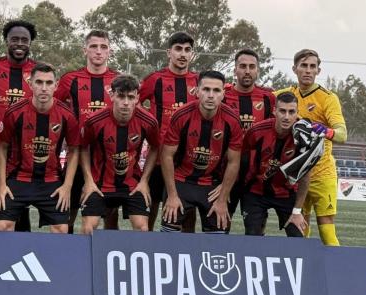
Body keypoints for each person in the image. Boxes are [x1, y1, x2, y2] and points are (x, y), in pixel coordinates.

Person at [0, 63, 80, 234]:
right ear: (30, 83)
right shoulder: (14, 112)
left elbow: (74, 150)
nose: (44, 88)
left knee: (62, 229)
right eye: (39, 82)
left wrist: (67, 186)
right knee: (3, 226)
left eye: (49, 83)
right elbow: (2, 147)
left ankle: (52, 261)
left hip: (52, 180)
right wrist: (1, 184)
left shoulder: (67, 115)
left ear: (56, 86)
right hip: (19, 178)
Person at [275, 49, 347, 246]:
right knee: (299, 230)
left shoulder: (328, 98)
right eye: (303, 66)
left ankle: (336, 271)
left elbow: (342, 134)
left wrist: (324, 130)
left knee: (326, 230)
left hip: (323, 174)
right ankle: (304, 272)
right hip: (298, 175)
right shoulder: (286, 95)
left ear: (318, 70)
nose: (308, 70)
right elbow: (260, 98)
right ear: (295, 69)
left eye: (312, 66)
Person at [160, 70, 243, 233]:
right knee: (170, 226)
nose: (211, 95)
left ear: (223, 94)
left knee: (219, 229)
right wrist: (171, 195)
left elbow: (234, 162)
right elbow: (166, 155)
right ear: (197, 91)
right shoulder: (181, 115)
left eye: (216, 90)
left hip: (211, 184)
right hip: (181, 180)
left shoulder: (232, 120)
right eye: (206, 89)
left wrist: (223, 198)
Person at [54, 29, 118, 233]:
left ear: (110, 51)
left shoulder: (118, 80)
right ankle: (67, 252)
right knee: (69, 208)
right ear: (85, 50)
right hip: (78, 155)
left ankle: (108, 254)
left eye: (103, 47)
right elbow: (55, 107)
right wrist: (62, 134)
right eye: (93, 46)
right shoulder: (70, 79)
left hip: (109, 157)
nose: (98, 51)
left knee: (110, 213)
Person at [79, 75, 160, 234]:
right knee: (89, 228)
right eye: (121, 96)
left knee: (143, 228)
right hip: (99, 184)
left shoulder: (149, 122)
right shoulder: (94, 121)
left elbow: (155, 148)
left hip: (132, 184)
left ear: (137, 98)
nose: (125, 102)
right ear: (111, 95)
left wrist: (144, 181)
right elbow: (83, 148)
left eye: (130, 97)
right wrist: (88, 180)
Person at [0, 19, 38, 232]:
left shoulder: (37, 71)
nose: (20, 44)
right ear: (6, 41)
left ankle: (21, 250)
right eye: (15, 39)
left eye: (25, 40)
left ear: (30, 42)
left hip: (24, 148)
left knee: (18, 203)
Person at [139, 31, 199, 232]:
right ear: (168, 52)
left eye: (187, 50)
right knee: (152, 206)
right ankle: (145, 248)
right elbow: (133, 102)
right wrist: (148, 126)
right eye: (178, 49)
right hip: (158, 157)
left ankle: (186, 251)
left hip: (187, 161)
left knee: (187, 211)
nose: (183, 54)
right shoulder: (155, 79)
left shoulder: (199, 82)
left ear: (192, 54)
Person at [240, 92, 310, 236]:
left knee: (297, 236)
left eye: (291, 112)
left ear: (297, 113)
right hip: (255, 192)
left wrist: (297, 211)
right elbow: (242, 162)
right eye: (282, 111)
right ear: (274, 111)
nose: (286, 117)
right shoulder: (256, 132)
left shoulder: (304, 138)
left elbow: (305, 176)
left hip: (287, 193)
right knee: (252, 235)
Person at [223, 48, 276, 218]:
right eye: (243, 66)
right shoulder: (222, 96)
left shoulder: (268, 98)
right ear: (235, 70)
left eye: (252, 67)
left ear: (258, 70)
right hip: (226, 172)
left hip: (256, 176)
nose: (247, 71)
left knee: (256, 227)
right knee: (221, 222)